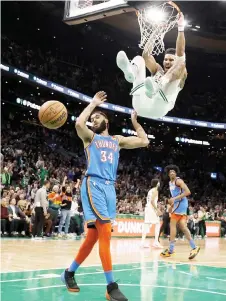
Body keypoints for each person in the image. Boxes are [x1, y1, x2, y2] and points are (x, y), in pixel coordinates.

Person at [61, 91, 149, 301]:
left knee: (92, 237)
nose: (93, 121)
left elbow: (144, 141)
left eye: (98, 117)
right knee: (105, 233)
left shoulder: (117, 140)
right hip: (94, 185)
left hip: (110, 189)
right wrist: (92, 104)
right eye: (92, 119)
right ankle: (111, 286)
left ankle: (69, 272)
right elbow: (79, 124)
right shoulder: (90, 137)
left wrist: (135, 122)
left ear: (107, 121)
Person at [116, 12, 187, 119]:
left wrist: (181, 27)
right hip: (140, 103)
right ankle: (130, 73)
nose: (167, 62)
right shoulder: (158, 70)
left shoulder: (181, 74)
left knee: (181, 65)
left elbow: (180, 53)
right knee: (140, 59)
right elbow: (146, 55)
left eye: (171, 60)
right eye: (166, 59)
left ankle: (160, 83)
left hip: (160, 106)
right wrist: (157, 31)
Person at [161, 165, 200, 259]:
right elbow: (174, 196)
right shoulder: (170, 183)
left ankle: (171, 250)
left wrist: (174, 199)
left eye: (174, 171)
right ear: (168, 174)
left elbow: (188, 192)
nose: (172, 172)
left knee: (172, 224)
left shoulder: (178, 181)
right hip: (179, 204)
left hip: (181, 203)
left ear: (176, 173)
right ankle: (194, 247)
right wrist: (171, 206)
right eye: (170, 172)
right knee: (182, 226)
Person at [141, 179, 163, 248]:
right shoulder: (155, 190)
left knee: (146, 224)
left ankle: (142, 242)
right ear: (157, 184)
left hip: (147, 208)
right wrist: (157, 210)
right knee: (157, 224)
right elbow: (152, 201)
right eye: (158, 182)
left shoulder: (150, 190)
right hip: (151, 209)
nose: (159, 183)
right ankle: (156, 242)